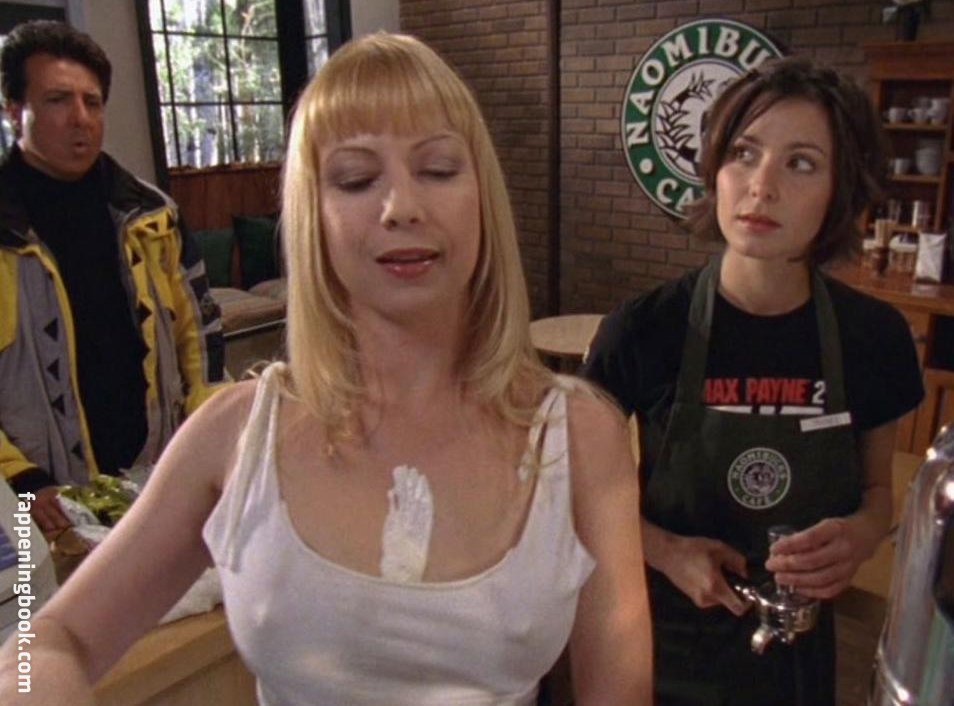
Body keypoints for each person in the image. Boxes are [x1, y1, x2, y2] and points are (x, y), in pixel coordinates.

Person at [0, 32, 652, 705]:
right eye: (357, 179)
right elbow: (49, 638)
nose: (402, 206)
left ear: (483, 196)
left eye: (437, 169)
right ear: (315, 215)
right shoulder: (234, 434)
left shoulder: (580, 437)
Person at [581, 57, 923, 706]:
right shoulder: (644, 330)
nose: (761, 187)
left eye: (801, 163)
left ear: (839, 191)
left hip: (797, 657)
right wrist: (665, 549)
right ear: (714, 168)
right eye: (744, 153)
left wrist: (860, 536)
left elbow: (878, 492)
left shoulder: (874, 338)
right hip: (660, 643)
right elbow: (576, 492)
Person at [0, 21, 225, 532]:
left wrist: (208, 433)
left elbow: (200, 336)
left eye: (93, 102)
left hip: (158, 478)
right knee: (40, 588)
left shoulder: (152, 213)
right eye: (58, 100)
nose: (80, 118)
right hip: (37, 498)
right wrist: (22, 480)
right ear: (14, 110)